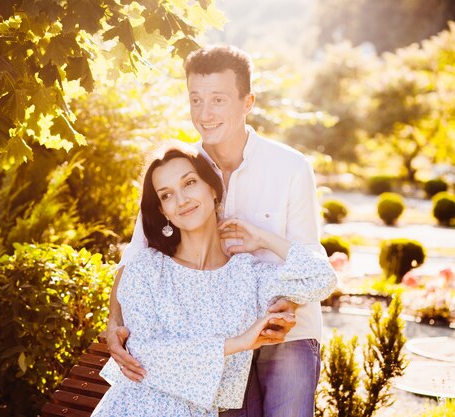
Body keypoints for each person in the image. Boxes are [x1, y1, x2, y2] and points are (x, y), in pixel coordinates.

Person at [107, 45, 327, 417]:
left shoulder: (290, 166)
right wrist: (115, 320)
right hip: (215, 337)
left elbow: (310, 258)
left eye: (218, 100)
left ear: (248, 102)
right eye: (196, 99)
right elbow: (137, 253)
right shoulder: (183, 168)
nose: (205, 114)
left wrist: (278, 294)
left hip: (286, 326)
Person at [93, 147, 336, 417]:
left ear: (212, 188)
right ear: (163, 212)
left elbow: (321, 278)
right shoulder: (146, 268)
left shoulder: (247, 275)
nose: (182, 199)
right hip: (136, 409)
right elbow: (143, 357)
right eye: (167, 195)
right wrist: (239, 343)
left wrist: (263, 238)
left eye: (189, 183)